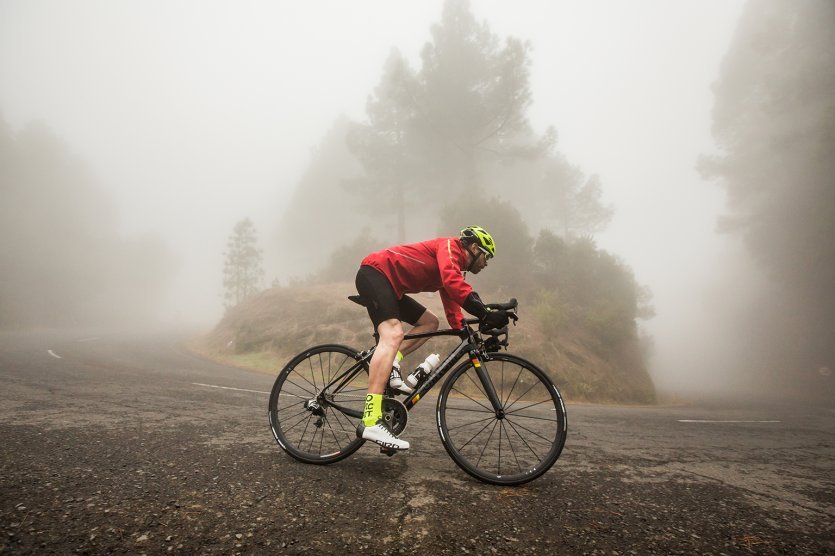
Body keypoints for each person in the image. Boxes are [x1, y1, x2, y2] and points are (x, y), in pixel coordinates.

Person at [353, 225, 509, 450]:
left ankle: (390, 361)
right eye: (486, 256)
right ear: (474, 248)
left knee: (430, 322)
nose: (486, 263)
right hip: (375, 273)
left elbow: (453, 308)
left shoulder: (453, 265)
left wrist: (470, 330)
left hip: (390, 285)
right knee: (393, 333)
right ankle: (370, 420)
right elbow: (453, 283)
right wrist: (484, 312)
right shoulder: (449, 247)